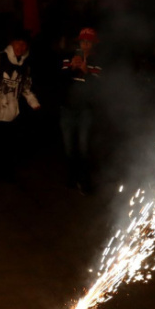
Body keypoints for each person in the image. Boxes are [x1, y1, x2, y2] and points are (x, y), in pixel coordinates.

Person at [0, 33, 41, 186]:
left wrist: (33, 102)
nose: (21, 47)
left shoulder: (25, 66)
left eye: (24, 45)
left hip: (9, 113)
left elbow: (25, 87)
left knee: (5, 146)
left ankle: (2, 172)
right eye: (18, 43)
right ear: (12, 43)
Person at [60, 27, 102, 195]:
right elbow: (59, 82)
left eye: (88, 43)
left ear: (92, 45)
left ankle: (84, 181)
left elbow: (98, 88)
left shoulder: (97, 62)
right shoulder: (68, 59)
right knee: (69, 147)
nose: (85, 45)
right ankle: (72, 177)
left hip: (85, 111)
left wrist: (86, 73)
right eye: (83, 42)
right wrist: (71, 68)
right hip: (67, 109)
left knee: (84, 147)